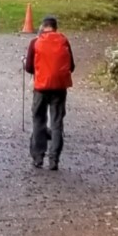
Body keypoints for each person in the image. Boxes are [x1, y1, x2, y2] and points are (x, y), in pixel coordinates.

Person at [24, 15, 75, 171]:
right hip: (59, 88)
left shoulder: (35, 42)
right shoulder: (64, 41)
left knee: (39, 120)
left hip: (41, 88)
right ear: (55, 27)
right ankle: (54, 160)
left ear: (43, 26)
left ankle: (38, 157)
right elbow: (71, 66)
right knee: (57, 122)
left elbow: (29, 68)